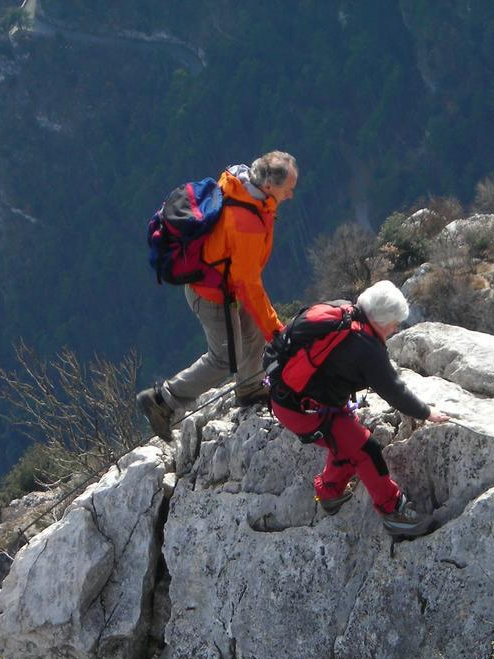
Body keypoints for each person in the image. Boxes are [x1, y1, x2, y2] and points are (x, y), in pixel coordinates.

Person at [138, 151, 298, 441]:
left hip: (225, 283)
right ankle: (162, 400)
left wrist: (268, 328)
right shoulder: (247, 220)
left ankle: (249, 387)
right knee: (225, 357)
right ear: (270, 186)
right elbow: (249, 284)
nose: (291, 195)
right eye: (288, 188)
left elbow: (245, 278)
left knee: (253, 332)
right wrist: (278, 332)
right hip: (211, 294)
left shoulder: (245, 184)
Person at [269, 280, 449, 539]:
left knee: (346, 442)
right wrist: (427, 413)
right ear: (384, 321)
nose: (395, 328)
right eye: (394, 323)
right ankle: (394, 514)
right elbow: (394, 391)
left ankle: (329, 493)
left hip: (288, 397)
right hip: (306, 411)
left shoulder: (342, 310)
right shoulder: (368, 348)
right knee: (367, 450)